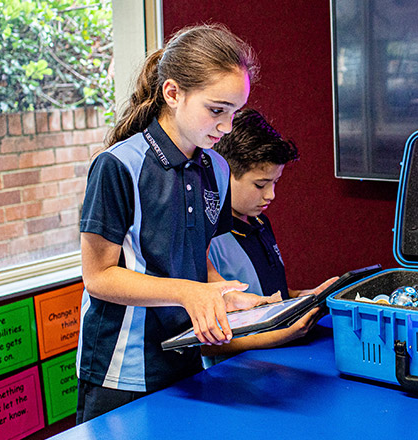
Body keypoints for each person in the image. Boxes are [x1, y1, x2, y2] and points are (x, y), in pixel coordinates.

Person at [77, 24, 270, 423]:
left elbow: (197, 259)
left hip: (187, 355)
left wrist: (225, 296)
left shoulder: (216, 167)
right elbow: (98, 277)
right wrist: (189, 293)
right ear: (172, 93)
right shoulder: (117, 165)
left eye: (235, 113)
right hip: (122, 369)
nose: (227, 127)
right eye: (217, 110)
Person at [202, 108, 337, 365]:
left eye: (276, 182)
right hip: (234, 374)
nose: (271, 195)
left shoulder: (260, 222)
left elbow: (268, 295)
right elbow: (203, 345)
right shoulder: (209, 240)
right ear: (223, 174)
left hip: (277, 363)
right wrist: (279, 336)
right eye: (260, 185)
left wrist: (307, 296)